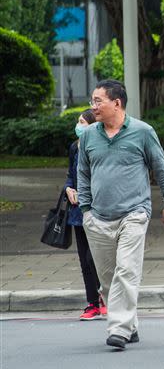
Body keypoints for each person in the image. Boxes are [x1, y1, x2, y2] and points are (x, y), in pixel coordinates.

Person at [78, 80, 164, 350]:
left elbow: (162, 168)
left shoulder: (143, 132)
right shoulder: (88, 136)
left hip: (134, 213)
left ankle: (118, 329)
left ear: (117, 103)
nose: (93, 106)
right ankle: (130, 325)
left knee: (126, 271)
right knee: (109, 278)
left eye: (98, 101)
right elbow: (83, 174)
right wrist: (86, 210)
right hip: (97, 218)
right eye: (93, 101)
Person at [65, 109, 106, 321]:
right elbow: (70, 175)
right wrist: (69, 189)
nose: (78, 125)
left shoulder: (99, 146)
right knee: (84, 259)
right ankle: (92, 303)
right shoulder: (74, 147)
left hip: (97, 209)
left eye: (82, 122)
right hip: (76, 211)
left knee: (96, 257)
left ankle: (105, 296)